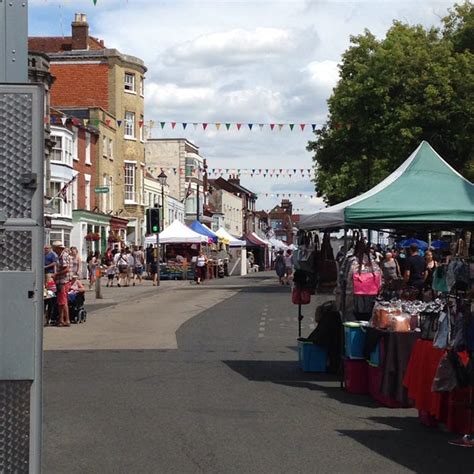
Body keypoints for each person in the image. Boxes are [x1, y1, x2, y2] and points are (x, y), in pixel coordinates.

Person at [52, 240, 71, 327]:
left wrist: (56, 274)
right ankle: (63, 319)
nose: (54, 250)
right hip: (61, 280)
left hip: (63, 280)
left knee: (62, 301)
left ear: (58, 248)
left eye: (55, 249)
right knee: (63, 301)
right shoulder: (60, 256)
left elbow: (66, 269)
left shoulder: (63, 256)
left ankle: (64, 320)